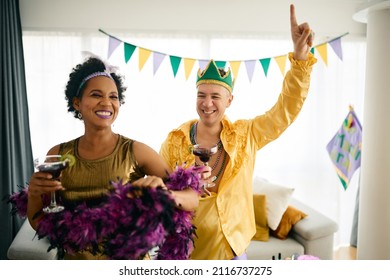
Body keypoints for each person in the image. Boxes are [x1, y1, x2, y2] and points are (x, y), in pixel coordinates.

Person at [159, 4, 317, 260]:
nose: (207, 103)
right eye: (201, 95)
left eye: (215, 96)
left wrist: (300, 61)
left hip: (234, 250)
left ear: (229, 100)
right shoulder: (175, 140)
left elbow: (285, 110)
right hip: (188, 252)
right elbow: (161, 192)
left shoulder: (247, 134)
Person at [26, 56, 200, 259]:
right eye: (95, 94)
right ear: (77, 103)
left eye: (114, 96)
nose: (106, 102)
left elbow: (191, 198)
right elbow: (42, 222)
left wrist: (167, 195)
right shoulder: (58, 155)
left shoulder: (137, 151)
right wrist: (34, 194)